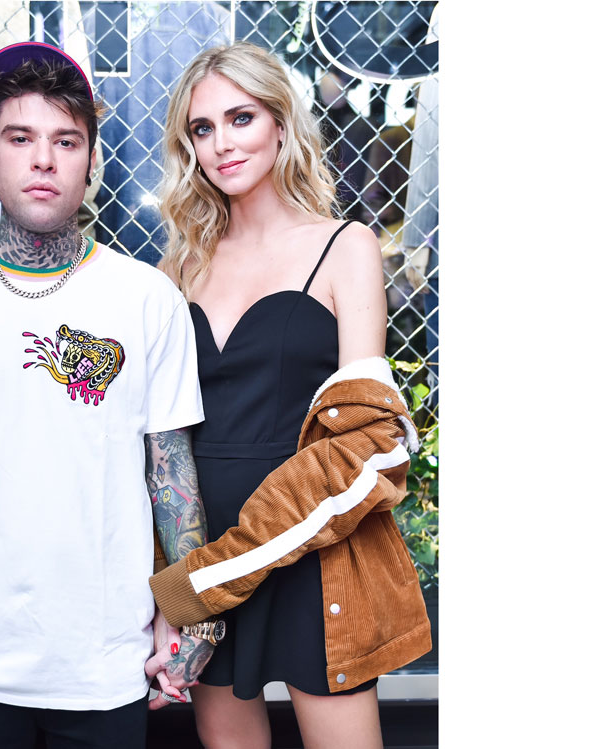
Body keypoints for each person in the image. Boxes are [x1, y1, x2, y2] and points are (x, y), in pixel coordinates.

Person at [0, 41, 214, 747]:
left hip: (107, 666)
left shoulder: (148, 299)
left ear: (91, 160)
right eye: (20, 138)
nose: (44, 159)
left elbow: (171, 473)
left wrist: (196, 621)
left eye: (66, 140)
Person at [147, 42, 432, 749]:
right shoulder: (179, 265)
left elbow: (367, 441)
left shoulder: (344, 246)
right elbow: (160, 440)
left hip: (314, 551)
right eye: (202, 128)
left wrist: (208, 577)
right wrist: (174, 575)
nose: (221, 143)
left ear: (281, 123)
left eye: (240, 118)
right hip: (202, 542)